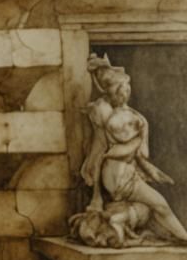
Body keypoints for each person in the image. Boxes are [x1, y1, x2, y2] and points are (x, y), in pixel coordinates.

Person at [73, 54, 187, 245]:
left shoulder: (116, 114)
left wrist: (151, 170)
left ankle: (117, 223)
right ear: (114, 92)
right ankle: (184, 237)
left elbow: (109, 151)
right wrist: (140, 137)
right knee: (160, 205)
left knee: (147, 208)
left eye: (127, 87)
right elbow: (133, 152)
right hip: (121, 175)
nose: (126, 92)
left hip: (116, 173)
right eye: (122, 89)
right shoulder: (122, 119)